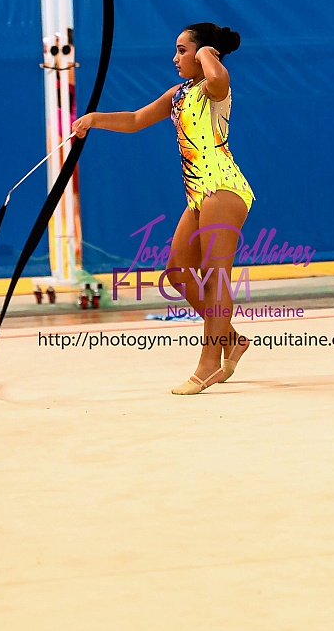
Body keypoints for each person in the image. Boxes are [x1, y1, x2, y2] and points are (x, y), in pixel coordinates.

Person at [72, 22, 255, 395]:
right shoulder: (179, 94)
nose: (175, 58)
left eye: (183, 50)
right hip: (199, 193)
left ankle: (208, 365)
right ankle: (231, 340)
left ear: (203, 55)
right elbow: (136, 119)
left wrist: (207, 53)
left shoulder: (214, 88)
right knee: (177, 271)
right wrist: (94, 120)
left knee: (215, 277)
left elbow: (217, 76)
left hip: (223, 187)